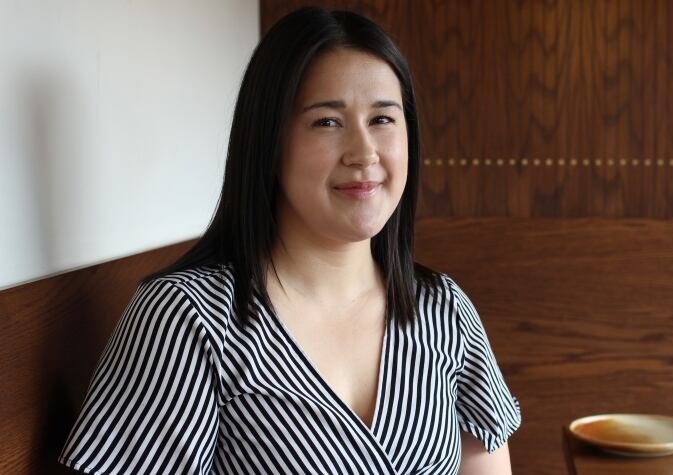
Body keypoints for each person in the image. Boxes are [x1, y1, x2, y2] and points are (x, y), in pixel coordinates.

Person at [58, 6, 521, 474]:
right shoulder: (190, 319)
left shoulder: (443, 310)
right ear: (269, 140)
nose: (364, 153)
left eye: (383, 119)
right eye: (327, 122)